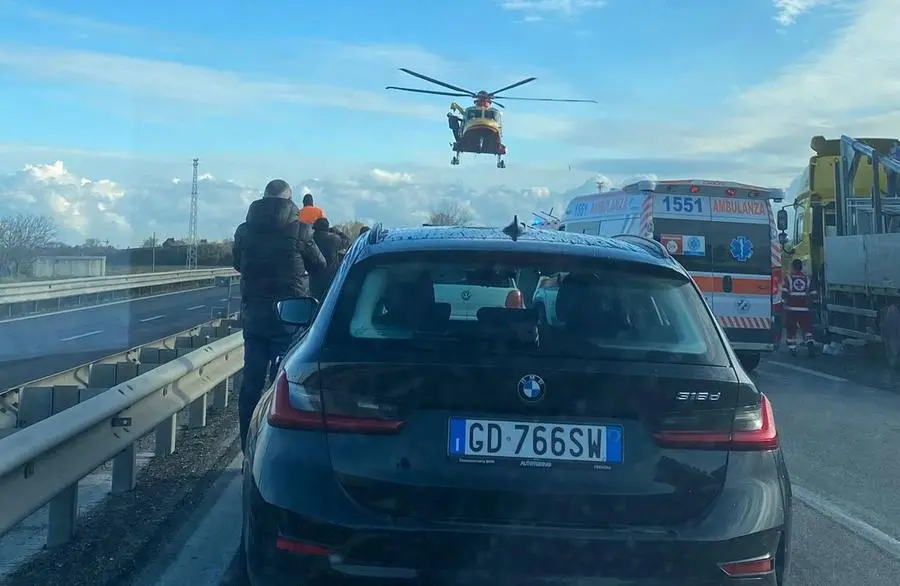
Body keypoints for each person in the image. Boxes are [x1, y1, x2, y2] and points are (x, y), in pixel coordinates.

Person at [232, 179, 326, 452]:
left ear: (263, 197)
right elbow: (319, 265)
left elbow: (238, 263)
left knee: (251, 383)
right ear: (290, 199)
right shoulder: (300, 230)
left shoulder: (244, 231)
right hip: (289, 316)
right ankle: (275, 448)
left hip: (255, 315)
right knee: (284, 384)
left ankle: (247, 447)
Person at [310, 217, 351, 301]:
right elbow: (347, 241)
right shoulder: (333, 239)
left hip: (314, 277)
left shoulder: (311, 239)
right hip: (330, 276)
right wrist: (338, 232)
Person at [781, 258, 815, 354]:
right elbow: (813, 293)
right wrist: (811, 304)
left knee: (791, 329)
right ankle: (809, 342)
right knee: (807, 328)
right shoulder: (807, 278)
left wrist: (782, 304)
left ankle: (793, 348)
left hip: (791, 309)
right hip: (805, 309)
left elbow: (784, 293)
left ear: (793, 267)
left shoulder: (788, 278)